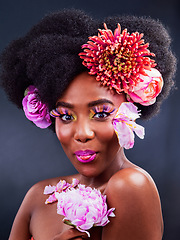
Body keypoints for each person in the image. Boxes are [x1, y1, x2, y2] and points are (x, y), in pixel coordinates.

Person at [0, 9, 176, 240]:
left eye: (101, 113)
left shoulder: (130, 186)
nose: (82, 134)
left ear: (131, 111)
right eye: (65, 116)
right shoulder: (37, 195)